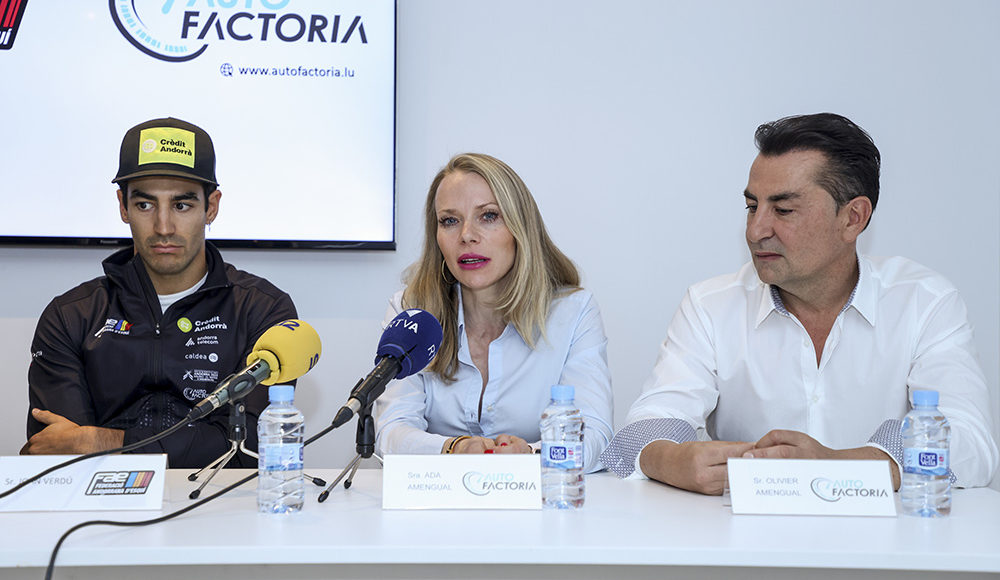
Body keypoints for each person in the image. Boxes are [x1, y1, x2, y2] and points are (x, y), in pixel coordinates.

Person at [600, 113, 998, 493]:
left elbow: (970, 445)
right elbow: (644, 429)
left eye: (783, 210)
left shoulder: (924, 302)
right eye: (752, 207)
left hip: (889, 538)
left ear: (853, 218)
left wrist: (840, 466)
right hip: (742, 536)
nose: (756, 230)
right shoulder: (710, 305)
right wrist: (674, 461)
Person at [22, 117, 297, 468]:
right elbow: (59, 454)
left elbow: (249, 449)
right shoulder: (71, 316)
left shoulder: (263, 310)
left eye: (182, 205)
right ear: (123, 206)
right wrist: (194, 444)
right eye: (145, 205)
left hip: (217, 499)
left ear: (211, 206)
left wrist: (99, 440)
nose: (163, 227)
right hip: (102, 500)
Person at [375, 153, 614, 471]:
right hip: (438, 498)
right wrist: (454, 449)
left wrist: (527, 456)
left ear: (520, 228)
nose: (466, 235)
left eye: (488, 216)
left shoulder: (572, 313)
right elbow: (390, 433)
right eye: (449, 221)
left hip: (540, 496)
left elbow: (595, 436)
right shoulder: (412, 313)